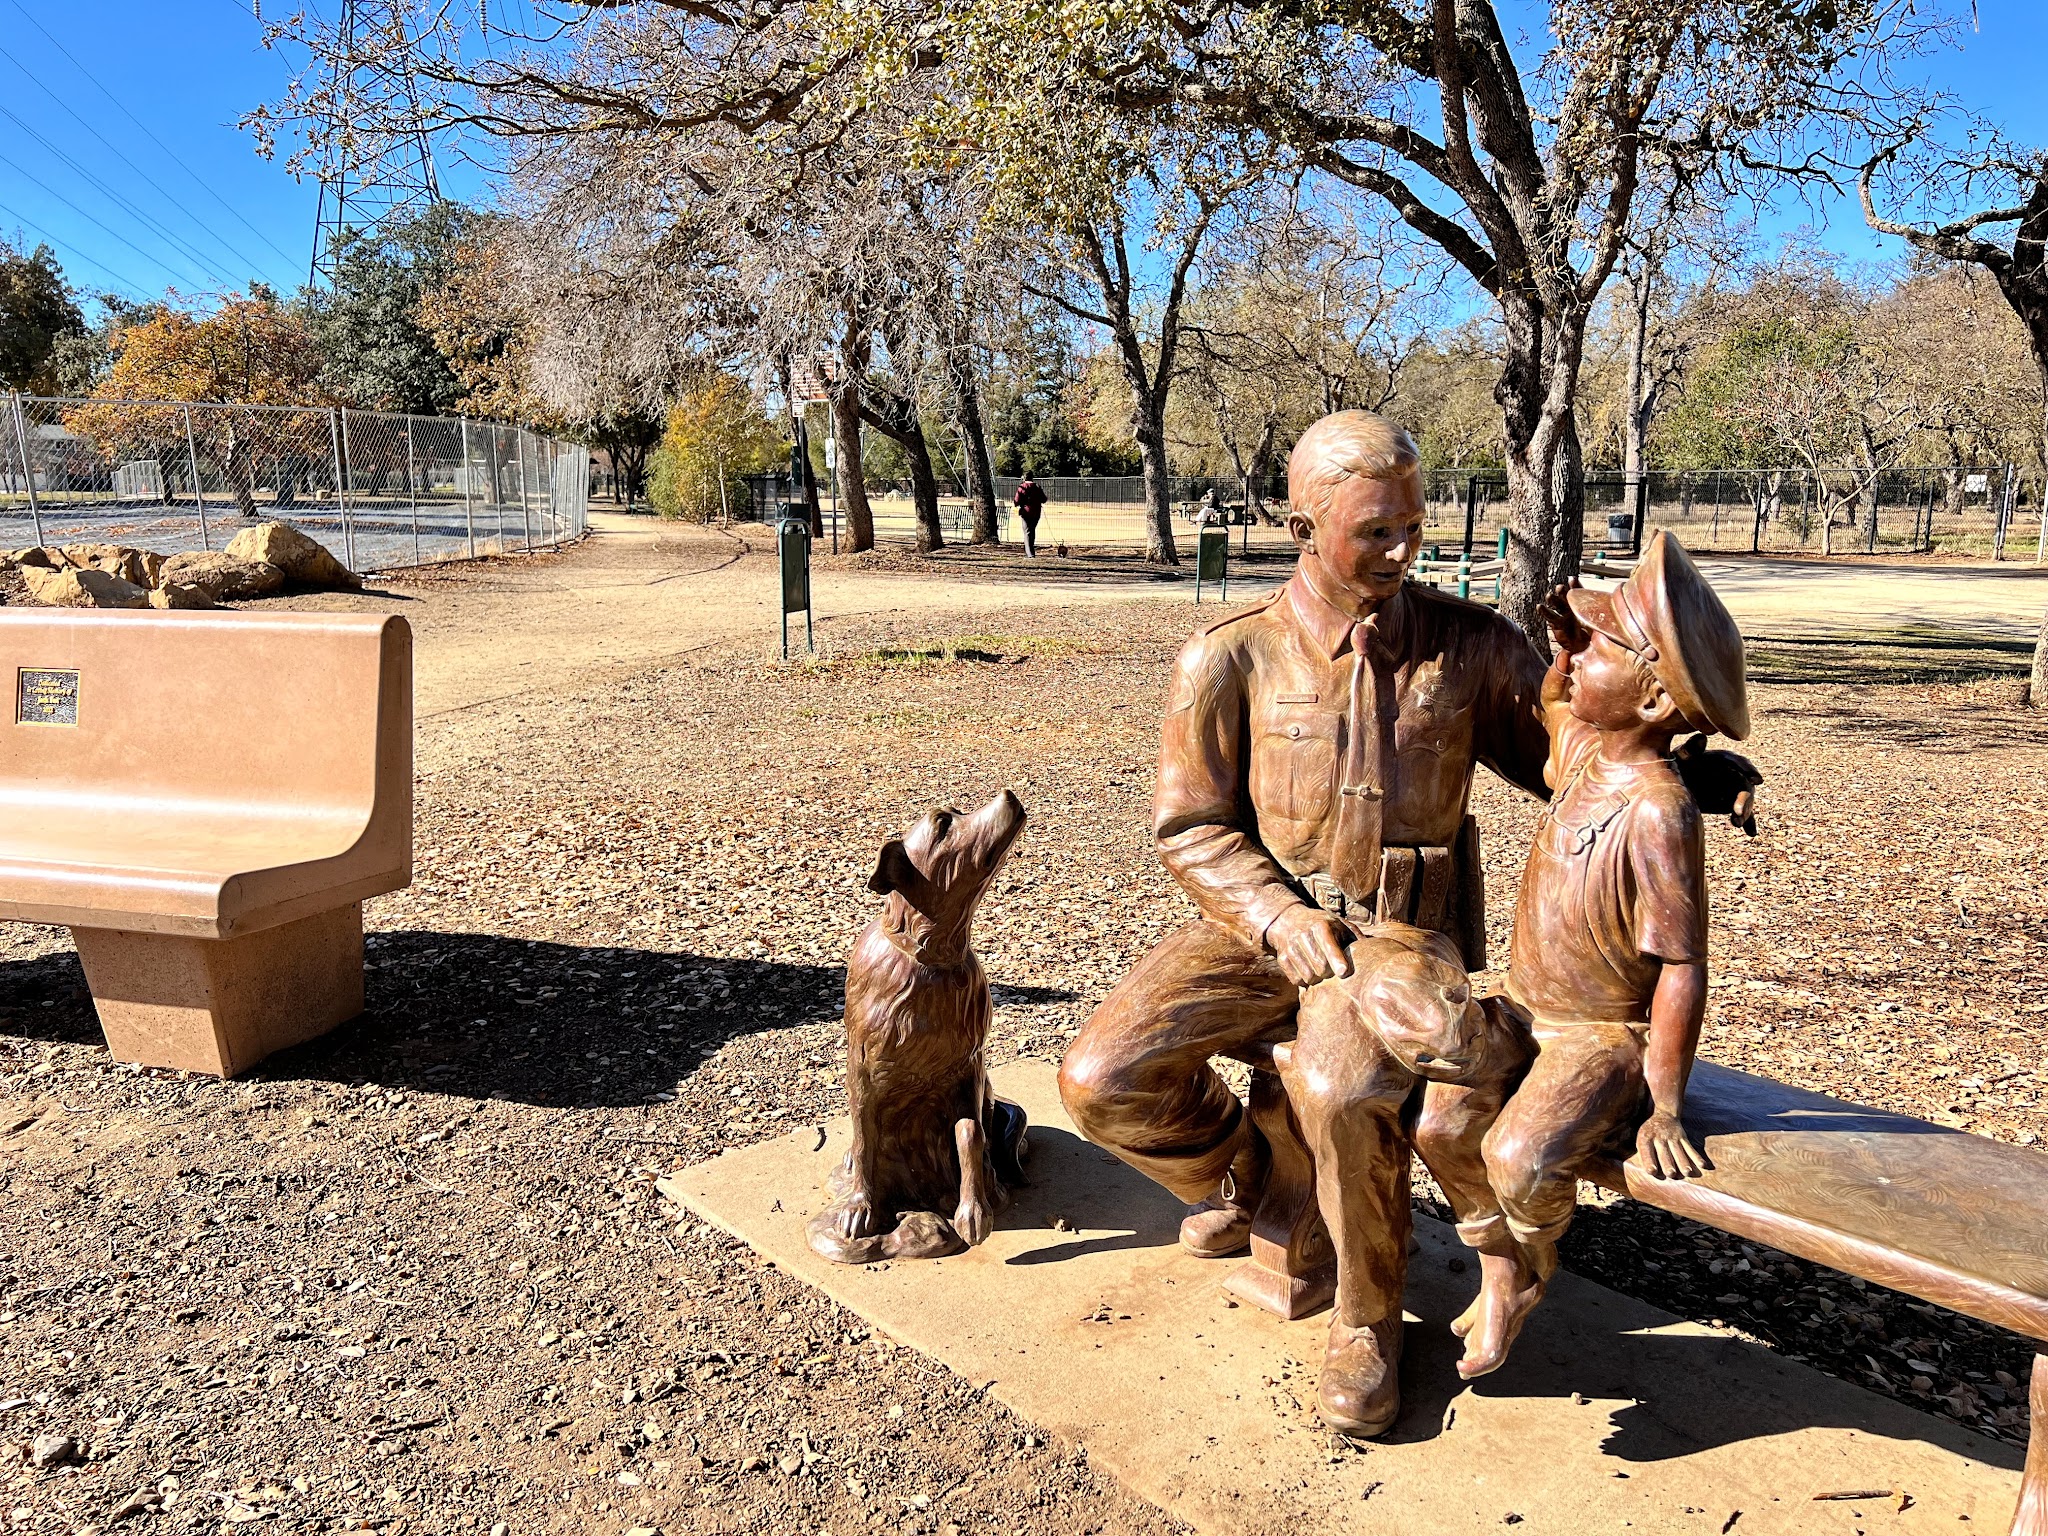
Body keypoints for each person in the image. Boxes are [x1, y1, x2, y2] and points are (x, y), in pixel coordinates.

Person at [1057, 411, 1761, 1437]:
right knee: (1098, 1079)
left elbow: (1575, 756)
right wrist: (1272, 916)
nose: (1400, 550)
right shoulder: (1226, 657)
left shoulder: (1470, 648)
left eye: (1410, 528)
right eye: (1373, 531)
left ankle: (1365, 1320)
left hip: (1396, 942)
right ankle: (1249, 1175)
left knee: (1343, 1088)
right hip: (1261, 924)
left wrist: (1687, 773)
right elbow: (1191, 822)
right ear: (1303, 523)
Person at [1476, 532, 1750, 1364]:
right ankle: (1497, 1271)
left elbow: (1680, 966)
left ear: (1655, 704)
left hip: (1602, 1040)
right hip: (1530, 1012)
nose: (1574, 656)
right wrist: (1568, 652)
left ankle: (1527, 1259)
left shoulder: (1657, 811)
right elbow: (1558, 709)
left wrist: (1664, 1102)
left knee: (1517, 1154)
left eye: (1601, 647)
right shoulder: (1591, 757)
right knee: (1438, 1114)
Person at [1013, 473, 1047, 556]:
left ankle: (1030, 553)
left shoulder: (1022, 487)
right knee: (1032, 530)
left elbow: (1016, 501)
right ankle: (1030, 550)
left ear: (1024, 478)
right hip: (1036, 512)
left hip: (1025, 512)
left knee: (1027, 532)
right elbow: (1044, 499)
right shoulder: (1037, 487)